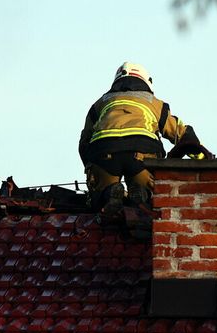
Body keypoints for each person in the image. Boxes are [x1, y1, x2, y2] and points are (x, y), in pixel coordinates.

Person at [79, 61, 208, 217]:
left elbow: (84, 143)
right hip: (142, 155)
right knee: (150, 202)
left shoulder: (100, 103)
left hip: (104, 153)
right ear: (147, 81)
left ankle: (109, 194)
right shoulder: (154, 103)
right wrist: (202, 158)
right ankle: (142, 195)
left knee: (99, 200)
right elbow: (183, 134)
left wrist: (93, 168)